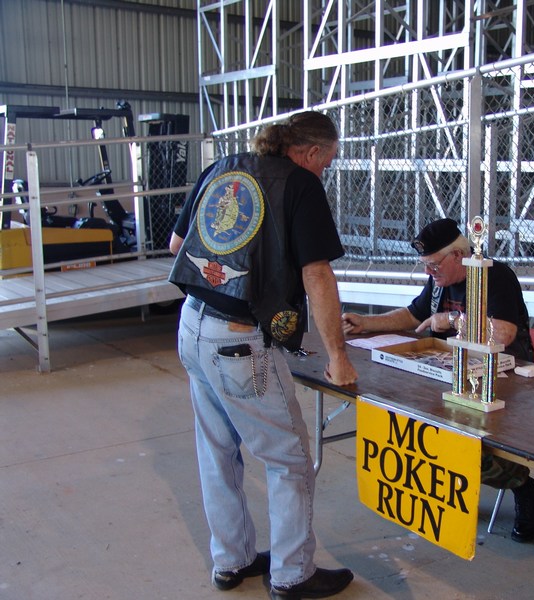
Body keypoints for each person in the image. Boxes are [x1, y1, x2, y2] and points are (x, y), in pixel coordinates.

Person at [168, 111, 357, 599]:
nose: (326, 170)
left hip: (192, 323)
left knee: (217, 451)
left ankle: (231, 560)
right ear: (310, 152)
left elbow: (177, 244)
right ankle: (293, 575)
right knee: (289, 459)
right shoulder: (301, 185)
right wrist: (337, 355)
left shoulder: (224, 166)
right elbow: (317, 276)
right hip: (238, 338)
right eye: (328, 161)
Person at [341, 217, 534, 542]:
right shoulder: (439, 280)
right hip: (452, 373)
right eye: (425, 265)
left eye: (434, 265)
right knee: (410, 424)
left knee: (466, 443)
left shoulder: (495, 276)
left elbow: (505, 333)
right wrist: (366, 323)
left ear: (458, 255)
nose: (429, 272)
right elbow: (414, 314)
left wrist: (452, 319)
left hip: (503, 377)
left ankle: (525, 488)